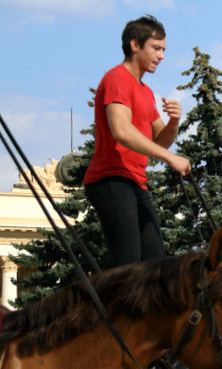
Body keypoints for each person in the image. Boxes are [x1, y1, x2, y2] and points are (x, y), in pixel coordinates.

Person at [83, 15, 191, 270]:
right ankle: (112, 309)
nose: (162, 55)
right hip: (110, 179)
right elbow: (121, 130)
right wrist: (170, 158)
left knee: (156, 264)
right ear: (135, 45)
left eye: (163, 49)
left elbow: (159, 141)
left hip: (135, 182)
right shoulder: (117, 79)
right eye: (156, 48)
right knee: (128, 265)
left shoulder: (145, 91)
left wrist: (174, 122)